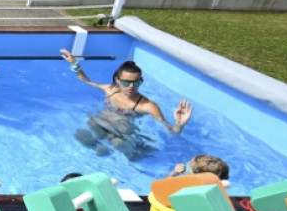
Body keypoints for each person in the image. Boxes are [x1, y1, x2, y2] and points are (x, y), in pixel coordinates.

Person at [60, 48, 192, 160]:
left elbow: (170, 132)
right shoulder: (109, 89)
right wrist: (75, 64)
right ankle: (104, 147)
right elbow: (87, 81)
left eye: (136, 82)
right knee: (80, 134)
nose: (131, 86)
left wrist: (179, 125)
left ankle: (138, 151)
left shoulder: (147, 105)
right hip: (101, 125)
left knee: (122, 148)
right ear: (117, 80)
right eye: (126, 82)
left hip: (122, 134)